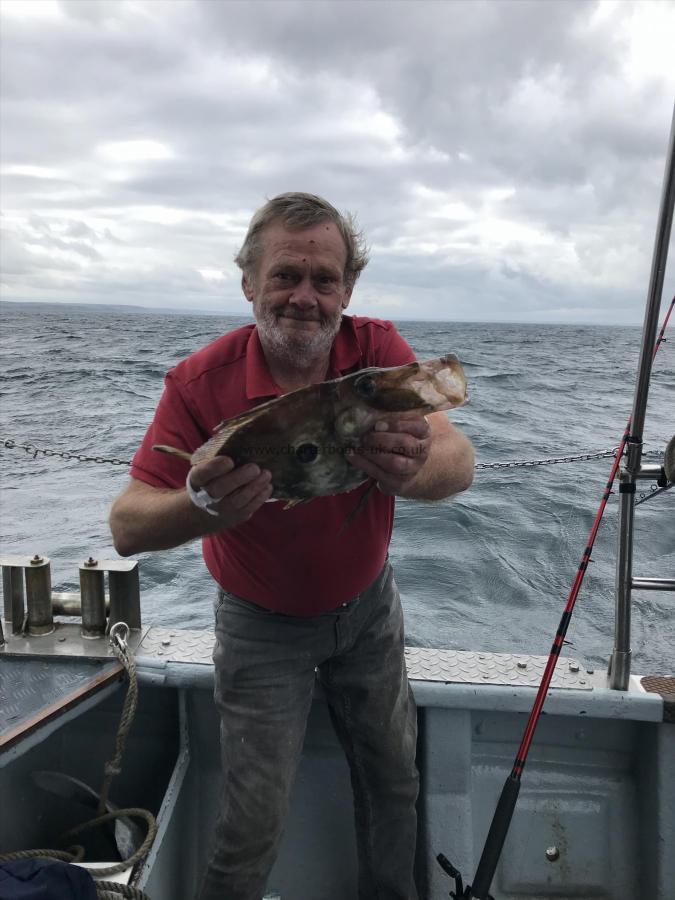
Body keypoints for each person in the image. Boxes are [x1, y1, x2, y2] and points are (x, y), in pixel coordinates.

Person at [109, 192, 474, 900]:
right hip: (259, 626)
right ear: (249, 282)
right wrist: (199, 506)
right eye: (285, 276)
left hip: (368, 612)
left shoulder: (374, 355)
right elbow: (127, 525)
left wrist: (414, 467)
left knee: (395, 781)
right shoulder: (199, 382)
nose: (304, 297)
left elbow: (458, 461)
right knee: (252, 818)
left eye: (324, 280)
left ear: (347, 290)